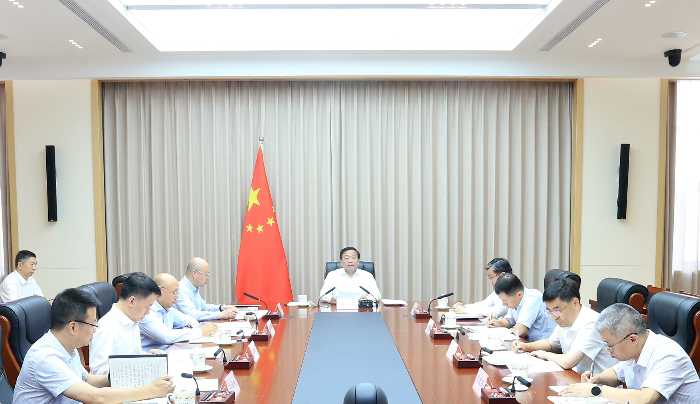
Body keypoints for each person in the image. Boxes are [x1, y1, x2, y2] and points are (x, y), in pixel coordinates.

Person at [12, 288, 173, 404]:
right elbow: (95, 397)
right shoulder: (46, 358)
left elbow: (86, 379)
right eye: (93, 323)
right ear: (73, 327)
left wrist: (128, 377)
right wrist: (151, 390)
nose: (95, 329)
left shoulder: (67, 346)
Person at [561, 303, 700, 404]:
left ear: (633, 339)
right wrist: (598, 378)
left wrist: (595, 390)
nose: (608, 351)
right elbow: (617, 374)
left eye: (610, 346)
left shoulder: (668, 355)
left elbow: (644, 398)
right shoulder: (635, 349)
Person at [511, 278, 618, 374]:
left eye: (557, 311)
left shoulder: (592, 323)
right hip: (576, 377)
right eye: (550, 312)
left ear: (575, 303)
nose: (554, 317)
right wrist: (526, 347)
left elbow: (568, 361)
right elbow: (550, 343)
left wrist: (544, 354)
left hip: (598, 385)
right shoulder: (566, 319)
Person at [89, 272, 165, 375]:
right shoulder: (107, 328)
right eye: (147, 307)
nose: (148, 313)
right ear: (132, 301)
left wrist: (146, 357)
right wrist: (135, 367)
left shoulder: (132, 320)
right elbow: (98, 371)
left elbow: (128, 356)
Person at [139, 273, 218, 351]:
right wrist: (200, 331)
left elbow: (192, 320)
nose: (177, 297)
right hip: (154, 356)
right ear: (160, 290)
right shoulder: (147, 311)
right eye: (174, 292)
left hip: (171, 351)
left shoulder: (169, 309)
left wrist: (188, 329)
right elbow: (167, 337)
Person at [488, 273, 556, 341]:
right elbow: (509, 321)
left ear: (519, 294)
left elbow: (520, 332)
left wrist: (505, 332)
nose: (504, 304)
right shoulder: (515, 300)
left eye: (505, 301)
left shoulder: (532, 298)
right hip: (529, 342)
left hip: (544, 343)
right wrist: (497, 323)